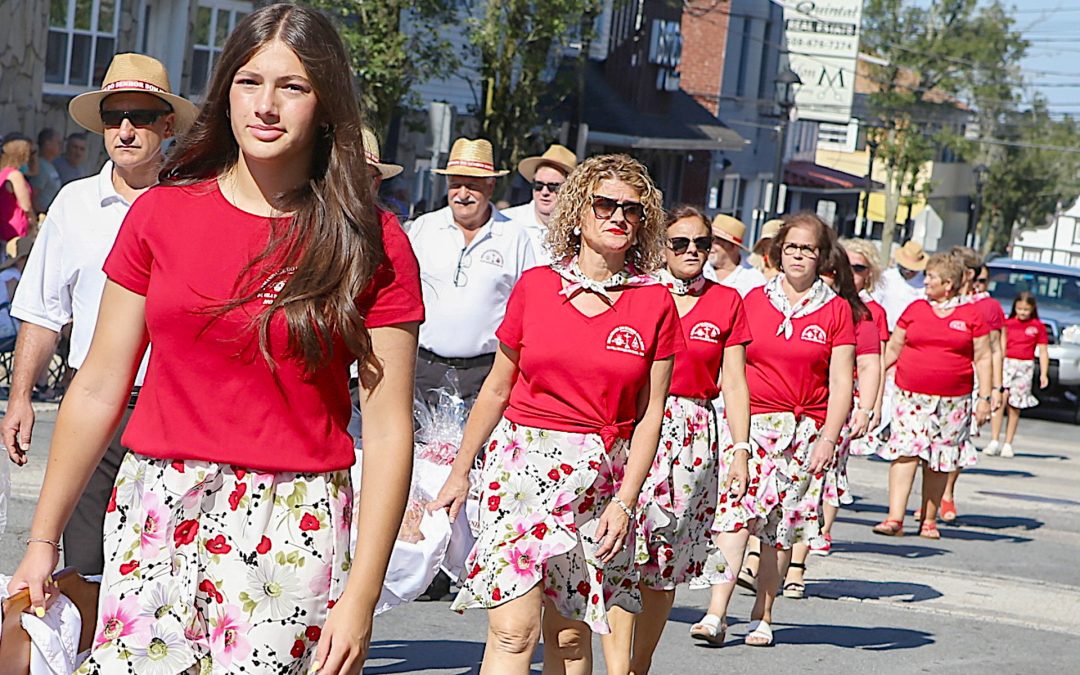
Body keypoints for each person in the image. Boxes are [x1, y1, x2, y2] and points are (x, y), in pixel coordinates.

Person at [8, 6, 424, 673]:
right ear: (224, 91)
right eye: (249, 82)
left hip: (293, 522)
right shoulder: (161, 216)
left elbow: (388, 424)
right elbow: (96, 383)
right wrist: (43, 537)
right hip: (157, 509)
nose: (266, 105)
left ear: (326, 105)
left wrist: (362, 594)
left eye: (292, 86)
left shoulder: (372, 241)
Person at [430, 154, 681, 674]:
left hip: (599, 480)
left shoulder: (655, 300)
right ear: (579, 213)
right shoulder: (537, 286)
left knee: (568, 638)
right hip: (520, 469)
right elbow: (497, 388)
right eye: (604, 204)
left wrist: (627, 502)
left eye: (631, 210)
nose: (617, 217)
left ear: (643, 223)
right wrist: (460, 472)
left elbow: (651, 413)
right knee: (511, 633)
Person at [1, 52, 198, 576]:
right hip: (93, 407)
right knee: (85, 567)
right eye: (114, 118)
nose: (126, 130)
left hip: (175, 411)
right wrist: (20, 396)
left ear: (169, 125)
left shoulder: (197, 204)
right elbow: (43, 312)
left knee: (161, 572)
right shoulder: (74, 203)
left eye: (141, 117)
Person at [607, 205, 751, 665]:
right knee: (623, 552)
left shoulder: (726, 301)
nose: (692, 251)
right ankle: (614, 668)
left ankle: (640, 664)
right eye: (680, 243)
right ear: (661, 245)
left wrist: (741, 451)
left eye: (702, 244)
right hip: (637, 425)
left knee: (663, 564)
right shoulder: (639, 292)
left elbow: (734, 381)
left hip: (693, 435)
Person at [707, 213, 855, 647]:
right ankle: (716, 614)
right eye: (791, 248)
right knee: (733, 520)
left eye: (808, 249)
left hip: (803, 433)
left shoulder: (836, 309)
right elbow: (730, 368)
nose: (799, 257)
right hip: (750, 428)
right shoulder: (752, 300)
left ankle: (763, 615)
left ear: (821, 257)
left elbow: (842, 380)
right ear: (777, 252)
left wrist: (829, 437)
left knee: (777, 533)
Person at [407, 137, 534, 407]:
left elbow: (528, 309)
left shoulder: (514, 237)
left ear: (491, 186)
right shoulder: (423, 228)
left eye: (472, 186)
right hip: (422, 369)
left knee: (474, 449)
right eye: (455, 185)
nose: (462, 194)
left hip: (484, 375)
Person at [783, 242, 879, 597]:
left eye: (853, 270)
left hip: (831, 413)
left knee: (815, 485)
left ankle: (797, 566)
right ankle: (762, 557)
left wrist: (868, 408)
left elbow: (869, 364)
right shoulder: (790, 305)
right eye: (832, 270)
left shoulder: (857, 314)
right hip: (785, 410)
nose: (833, 278)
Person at [873, 253, 992, 539]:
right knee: (905, 452)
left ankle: (928, 520)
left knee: (940, 459)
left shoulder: (971, 315)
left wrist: (986, 398)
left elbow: (984, 356)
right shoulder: (915, 309)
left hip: (953, 401)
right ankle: (895, 518)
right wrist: (874, 379)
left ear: (948, 283)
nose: (925, 281)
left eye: (931, 277)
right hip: (910, 397)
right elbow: (892, 348)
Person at [939, 248, 1004, 522]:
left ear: (967, 274)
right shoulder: (935, 299)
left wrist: (996, 390)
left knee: (955, 441)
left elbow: (995, 348)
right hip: (934, 374)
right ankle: (929, 496)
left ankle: (946, 494)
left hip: (970, 379)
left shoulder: (987, 306)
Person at [840, 238, 890, 460]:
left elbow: (877, 362)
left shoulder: (875, 312)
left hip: (854, 390)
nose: (851, 273)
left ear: (869, 273)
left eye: (859, 268)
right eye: (846, 266)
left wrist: (874, 406)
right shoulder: (826, 300)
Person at [986, 291, 1049, 458]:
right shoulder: (1007, 324)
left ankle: (1008, 442)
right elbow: (1000, 346)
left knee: (1015, 405)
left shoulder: (1038, 327)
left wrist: (1044, 373)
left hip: (1025, 367)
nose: (1022, 313)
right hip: (1007, 363)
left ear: (1032, 309)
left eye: (1026, 309)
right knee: (1000, 400)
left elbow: (1043, 351)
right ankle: (994, 440)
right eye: (1019, 308)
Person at [502, 143, 577, 265]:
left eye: (553, 187)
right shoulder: (506, 221)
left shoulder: (580, 230)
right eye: (539, 186)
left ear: (569, 190)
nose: (544, 192)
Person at [702, 214, 766, 297]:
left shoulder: (754, 280)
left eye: (717, 241)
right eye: (710, 240)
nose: (710, 246)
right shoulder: (700, 268)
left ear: (733, 247)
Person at [874, 239, 927, 331]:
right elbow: (876, 301)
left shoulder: (924, 283)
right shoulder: (887, 276)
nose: (908, 271)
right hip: (884, 329)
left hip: (909, 332)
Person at [1, 133, 35, 242]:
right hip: (17, 230)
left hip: (4, 225)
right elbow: (26, 206)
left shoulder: (3, 173)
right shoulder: (16, 175)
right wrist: (35, 223)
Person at [30, 128, 63, 214]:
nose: (61, 146)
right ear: (48, 144)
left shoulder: (50, 165)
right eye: (58, 143)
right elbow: (33, 195)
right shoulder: (40, 166)